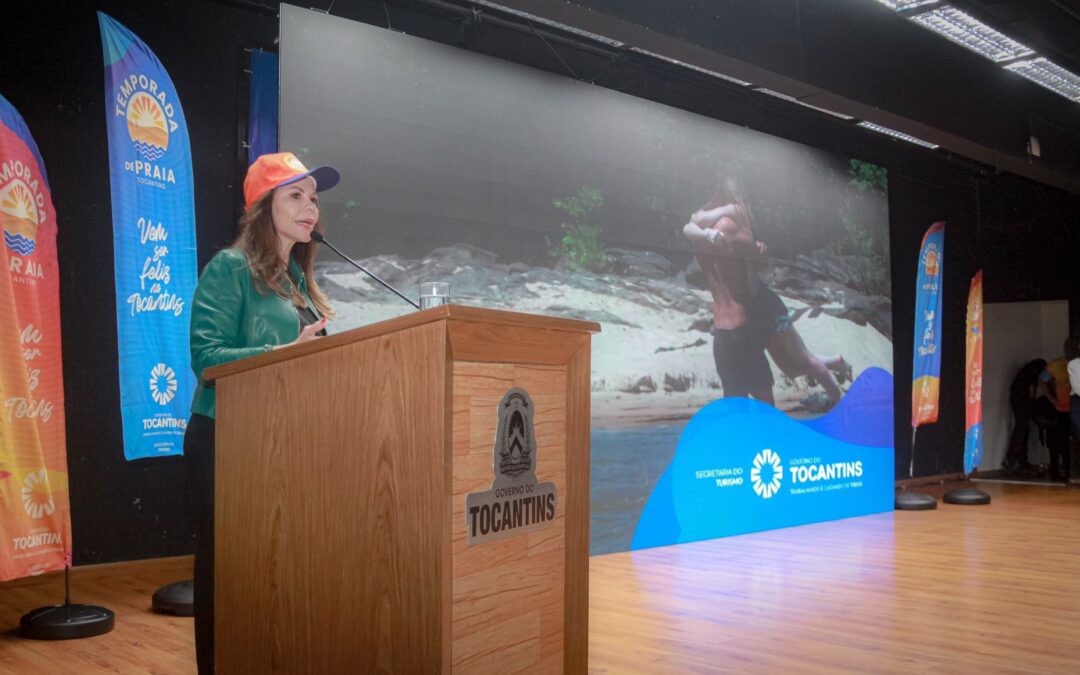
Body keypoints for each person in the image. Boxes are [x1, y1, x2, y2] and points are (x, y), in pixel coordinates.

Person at [184, 151, 339, 674]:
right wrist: (279, 356)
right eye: (295, 195)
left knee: (278, 568)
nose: (310, 208)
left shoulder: (298, 277)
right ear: (261, 207)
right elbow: (205, 359)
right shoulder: (231, 267)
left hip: (285, 442)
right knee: (231, 572)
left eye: (313, 198)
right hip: (228, 439)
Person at [682, 174, 850, 406]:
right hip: (748, 323)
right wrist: (758, 249)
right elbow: (759, 259)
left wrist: (705, 227)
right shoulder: (730, 229)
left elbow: (690, 223)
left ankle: (834, 391)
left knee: (739, 398)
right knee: (780, 380)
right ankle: (835, 385)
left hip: (722, 332)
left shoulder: (700, 235)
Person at [1003, 358, 1046, 473]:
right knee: (1022, 430)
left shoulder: (1023, 375)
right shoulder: (1032, 377)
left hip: (1017, 402)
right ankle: (1016, 460)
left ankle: (1017, 461)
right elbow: (1032, 393)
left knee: (1020, 429)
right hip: (1024, 403)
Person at [1040, 355, 1072, 481]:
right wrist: (1051, 398)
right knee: (1057, 441)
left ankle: (1069, 471)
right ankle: (1056, 471)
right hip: (1060, 409)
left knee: (1069, 443)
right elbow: (1043, 380)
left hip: (1074, 409)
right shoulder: (1056, 366)